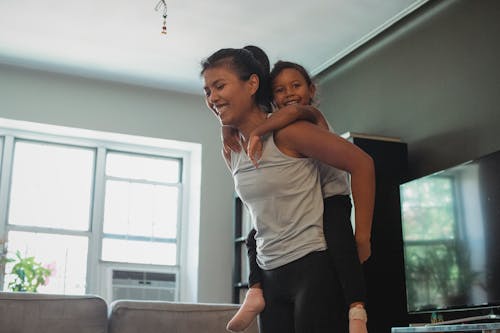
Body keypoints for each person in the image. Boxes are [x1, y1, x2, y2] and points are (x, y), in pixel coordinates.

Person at [201, 46, 375, 333]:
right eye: (207, 91)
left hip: (313, 266)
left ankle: (358, 310)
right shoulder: (230, 150)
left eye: (219, 86)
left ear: (253, 84)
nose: (212, 97)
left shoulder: (290, 132)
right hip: (269, 274)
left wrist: (362, 237)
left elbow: (363, 164)